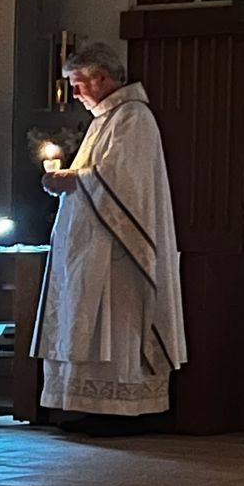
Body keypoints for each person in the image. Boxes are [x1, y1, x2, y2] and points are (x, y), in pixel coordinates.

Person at [33, 43, 187, 436]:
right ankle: (88, 405)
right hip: (92, 246)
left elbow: (122, 179)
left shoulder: (134, 117)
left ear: (102, 77)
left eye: (79, 83)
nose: (74, 93)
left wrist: (72, 179)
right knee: (88, 322)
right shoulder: (106, 118)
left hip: (120, 249)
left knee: (116, 324)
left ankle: (119, 409)